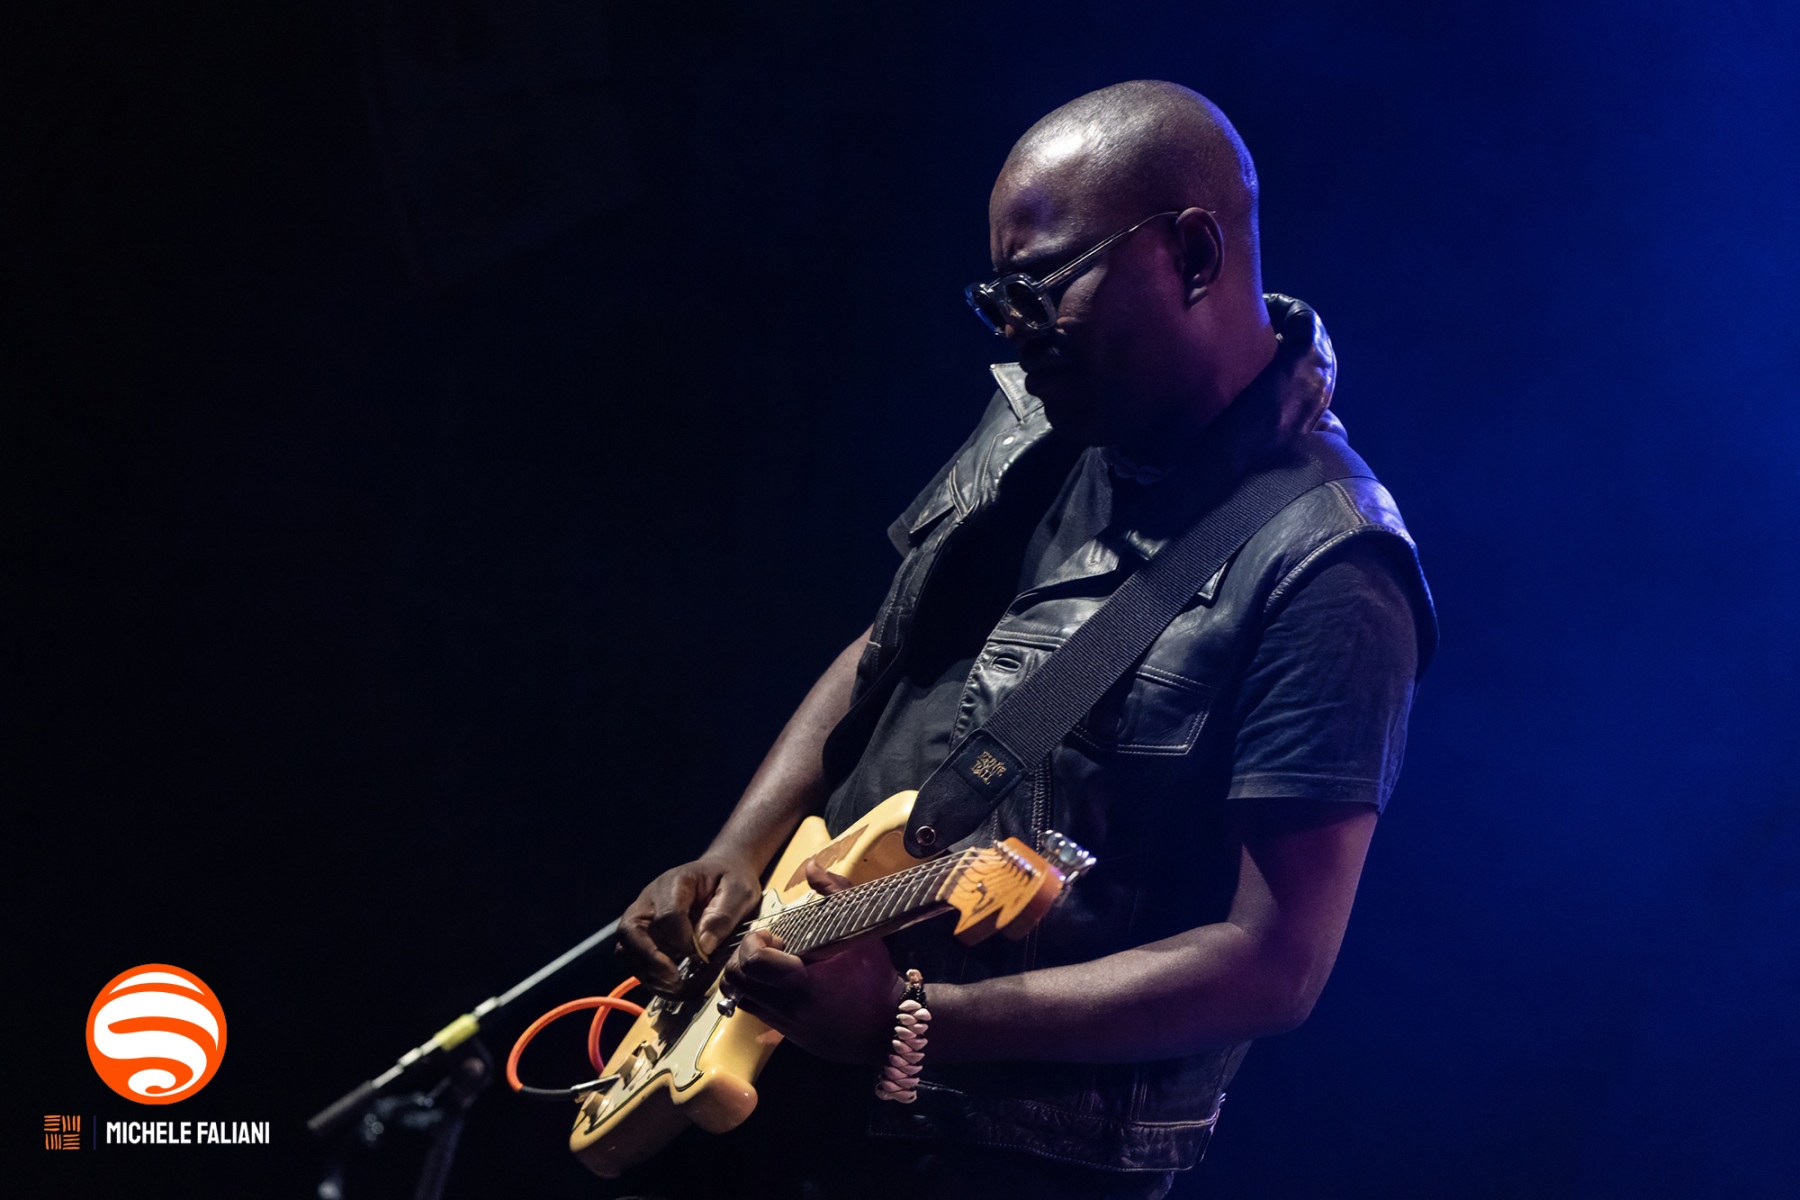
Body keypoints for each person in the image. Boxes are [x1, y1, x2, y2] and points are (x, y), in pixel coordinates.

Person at [612, 80, 1435, 1200]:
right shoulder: (1036, 422)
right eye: (998, 295)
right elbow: (888, 648)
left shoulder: (1331, 565)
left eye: (1042, 289)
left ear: (1193, 255)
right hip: (799, 1088)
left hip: (1003, 1159)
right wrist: (738, 853)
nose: (1011, 331)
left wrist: (914, 1020)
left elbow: (1274, 967)